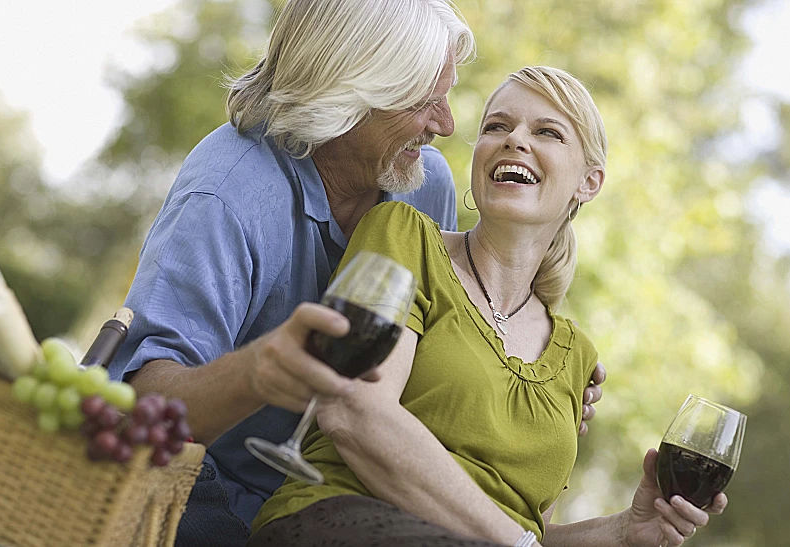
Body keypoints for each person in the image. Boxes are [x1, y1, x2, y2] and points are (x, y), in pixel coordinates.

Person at [108, 0, 603, 543]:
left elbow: (430, 350)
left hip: (371, 502)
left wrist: (529, 399)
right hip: (205, 488)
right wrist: (258, 371)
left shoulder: (422, 182)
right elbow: (144, 407)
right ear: (351, 93)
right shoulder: (228, 191)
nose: (446, 125)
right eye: (424, 102)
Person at [247, 66, 727, 547]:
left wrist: (623, 530)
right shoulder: (404, 236)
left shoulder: (575, 355)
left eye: (547, 132)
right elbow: (353, 414)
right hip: (336, 520)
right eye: (497, 127)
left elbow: (520, 528)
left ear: (588, 182)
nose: (515, 140)